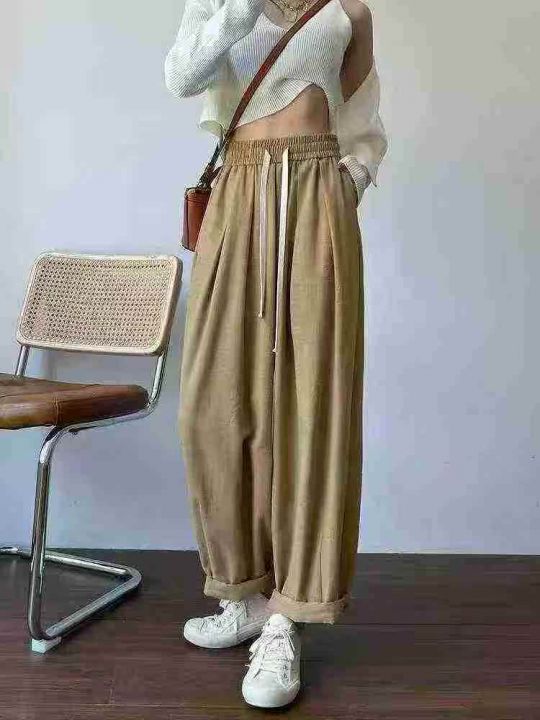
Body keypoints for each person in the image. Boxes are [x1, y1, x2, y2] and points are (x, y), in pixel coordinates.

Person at [164, 0, 388, 708]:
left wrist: (349, 180)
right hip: (237, 191)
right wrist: (237, 11)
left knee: (312, 403)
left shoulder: (349, 11)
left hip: (317, 194)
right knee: (212, 405)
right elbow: (180, 76)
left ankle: (289, 616)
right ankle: (243, 592)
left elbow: (366, 125)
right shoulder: (220, 2)